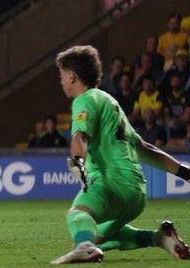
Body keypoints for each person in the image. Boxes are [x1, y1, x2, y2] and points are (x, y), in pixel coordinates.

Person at [51, 45, 189, 264]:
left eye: (61, 75)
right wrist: (184, 172)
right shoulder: (109, 101)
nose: (60, 81)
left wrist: (78, 160)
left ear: (72, 76)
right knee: (96, 236)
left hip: (111, 182)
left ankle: (85, 246)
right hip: (136, 193)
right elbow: (145, 148)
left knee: (77, 215)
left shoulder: (84, 99)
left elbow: (79, 136)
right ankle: (160, 238)